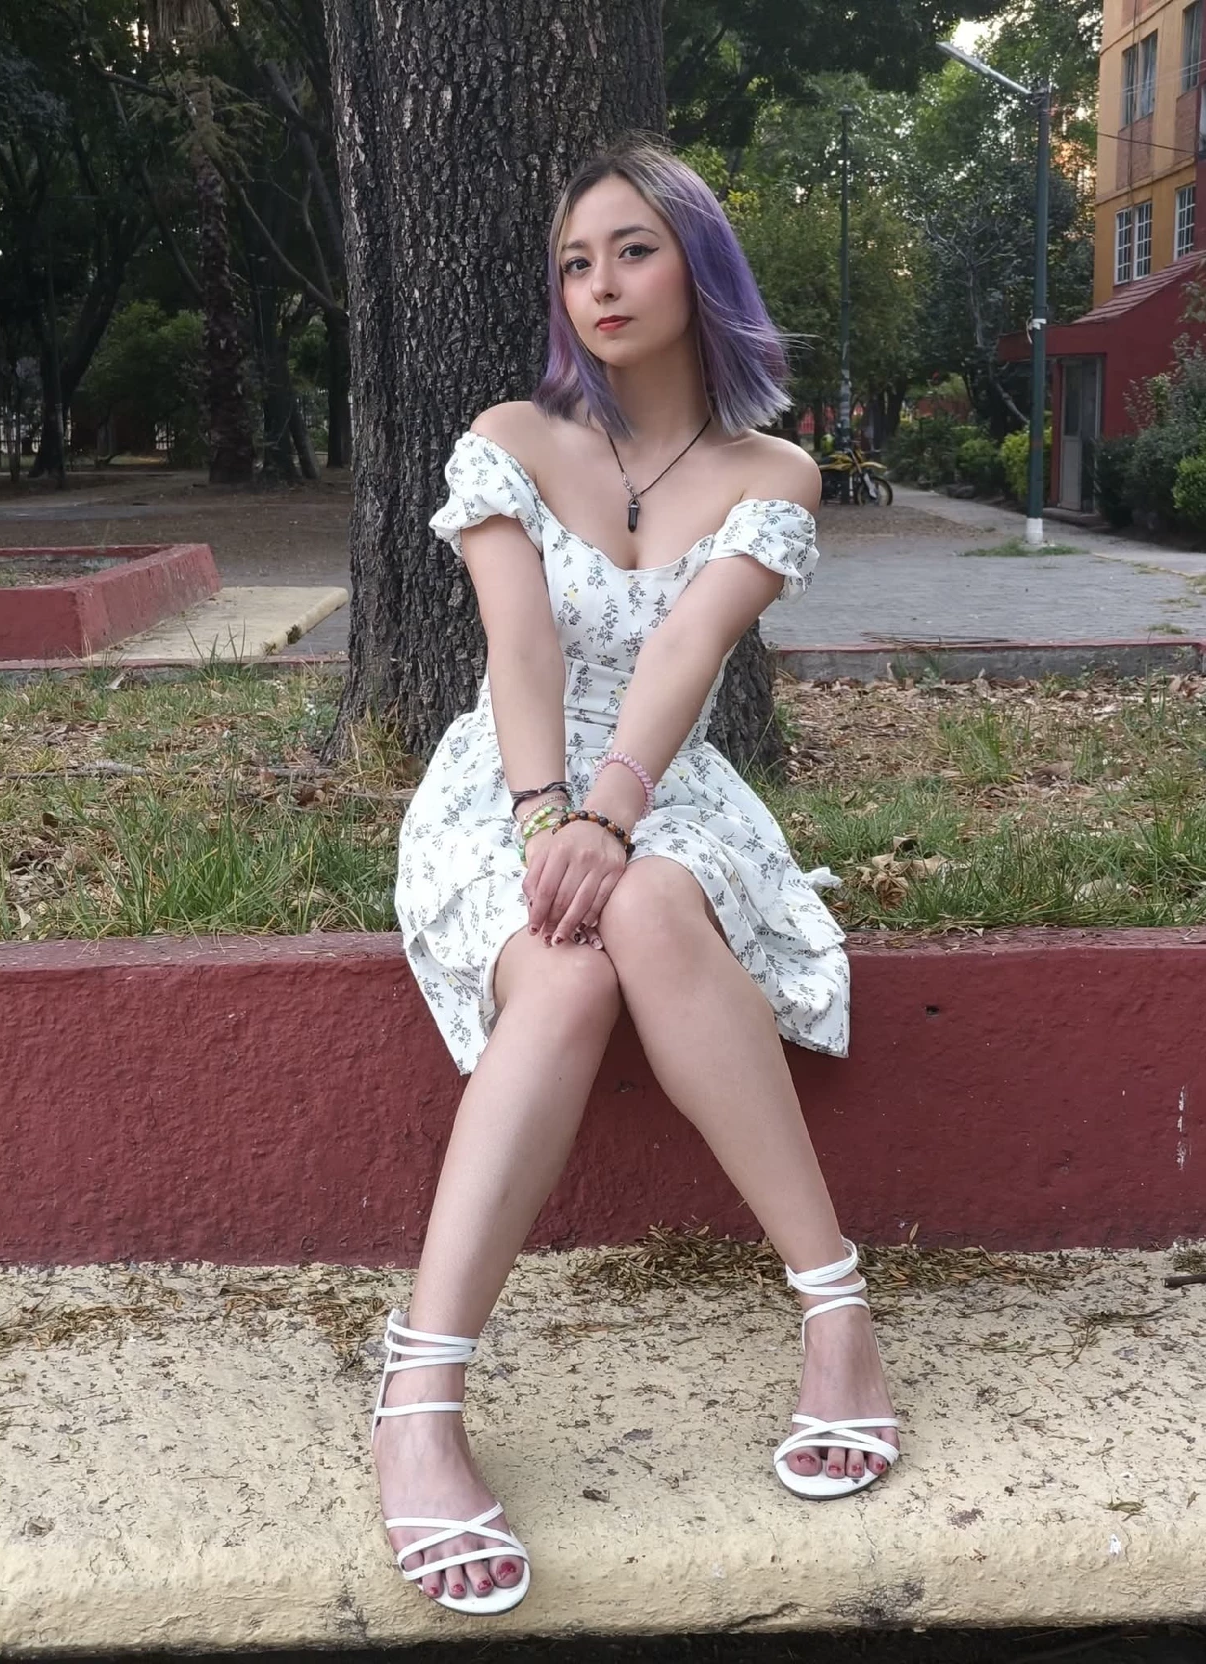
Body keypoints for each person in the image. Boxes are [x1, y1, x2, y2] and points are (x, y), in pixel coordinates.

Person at [372, 138, 899, 1618]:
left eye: (633, 250)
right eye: (575, 262)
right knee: (563, 969)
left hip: (668, 782)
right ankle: (421, 1400)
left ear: (700, 266)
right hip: (507, 775)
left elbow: (686, 648)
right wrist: (548, 815)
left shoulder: (772, 473)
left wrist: (614, 818)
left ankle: (836, 1317)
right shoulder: (510, 440)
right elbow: (522, 646)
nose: (598, 285)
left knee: (655, 901)